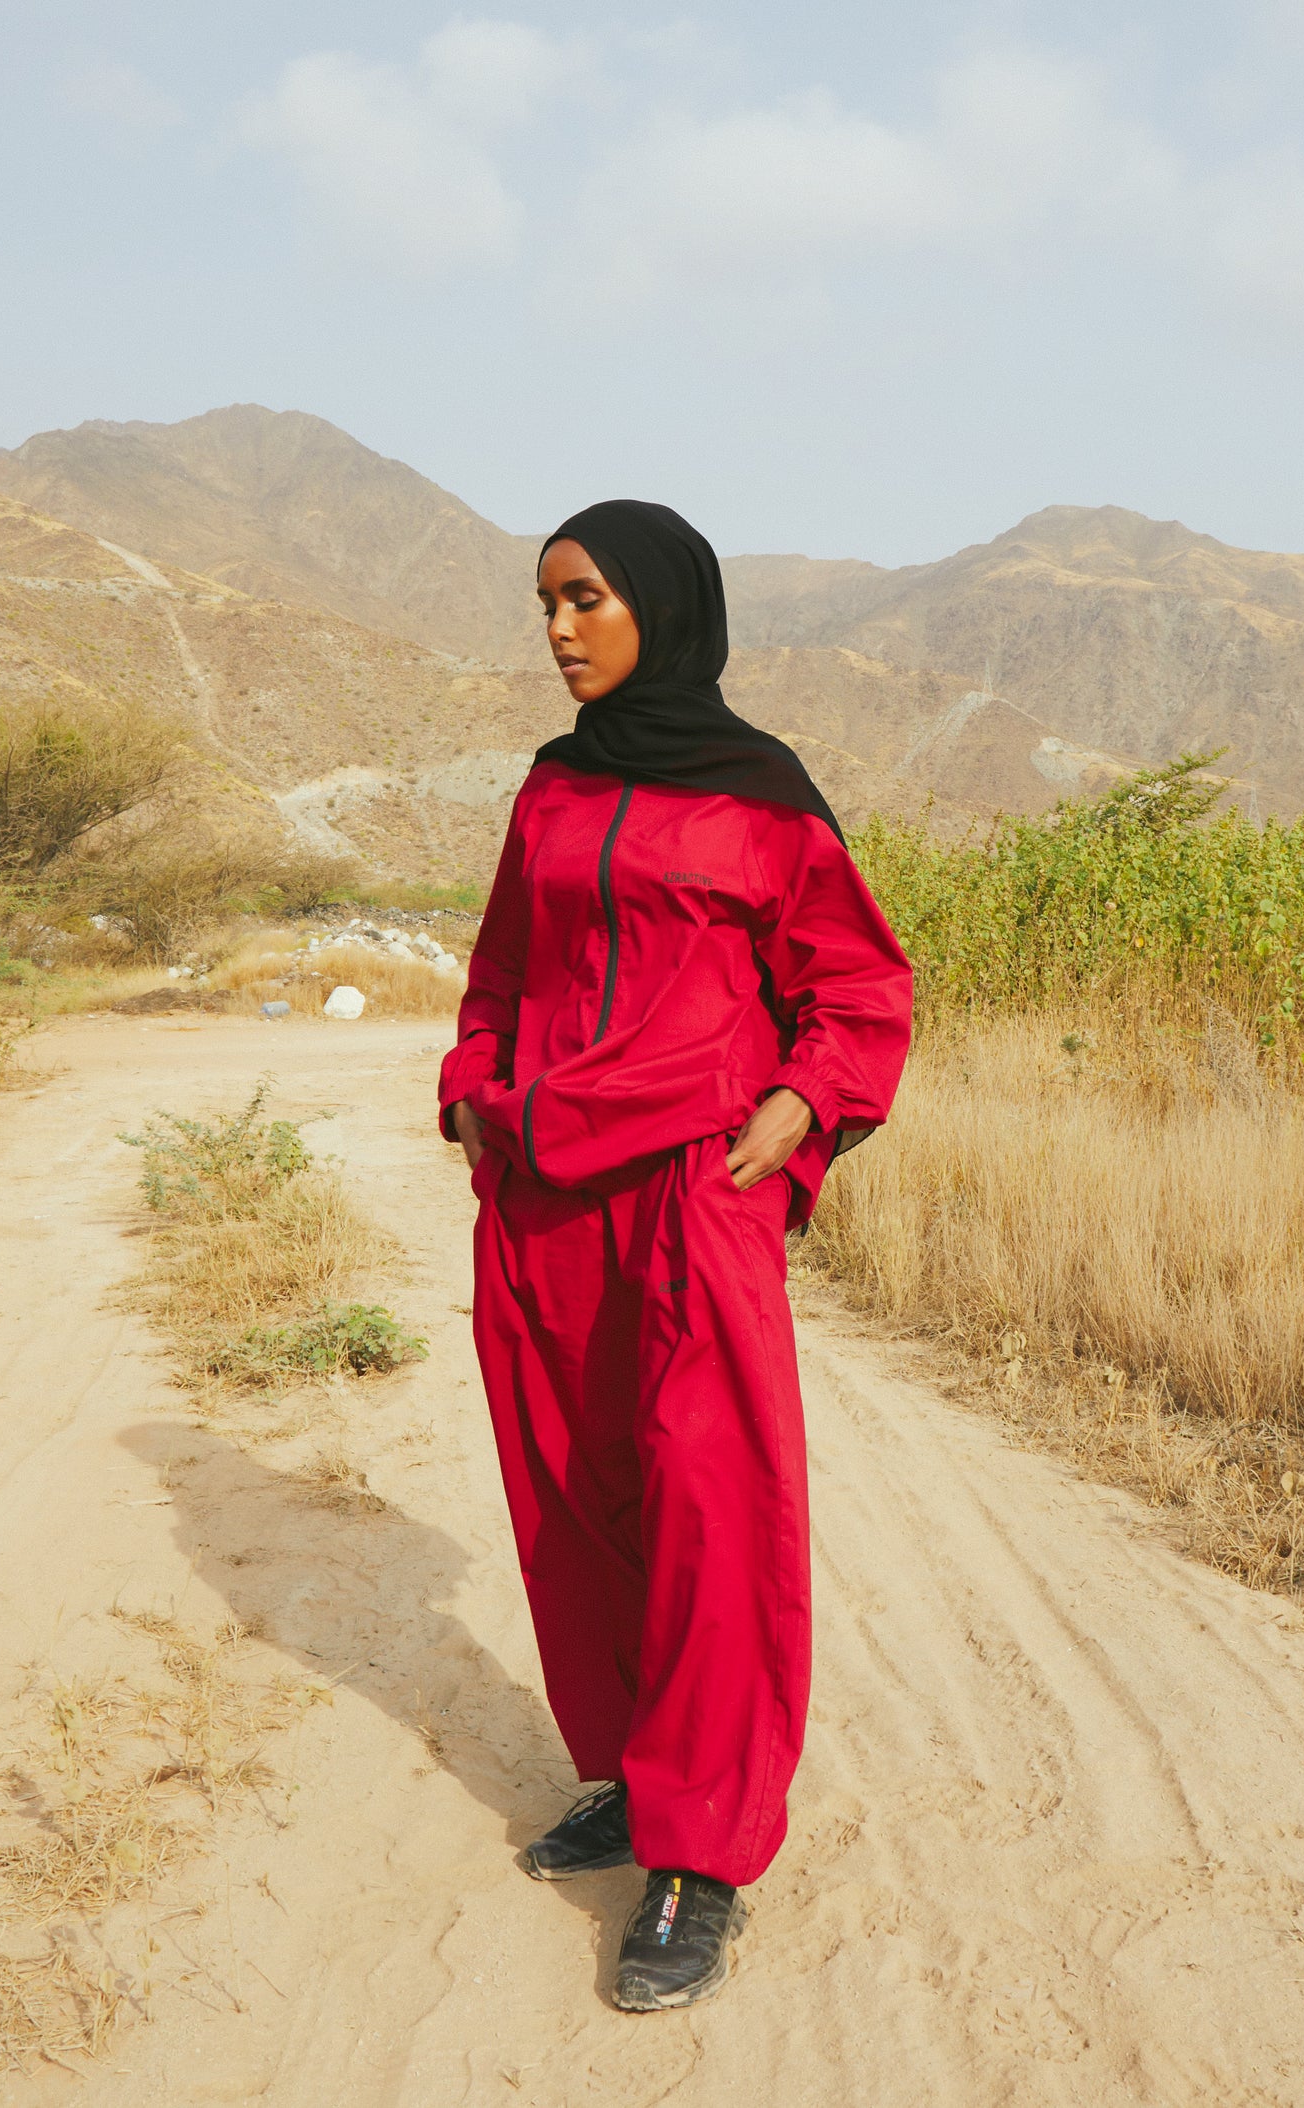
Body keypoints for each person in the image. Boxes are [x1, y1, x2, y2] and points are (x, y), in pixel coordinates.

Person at [438, 499, 912, 2011]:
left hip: (690, 1192)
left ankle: (700, 1861)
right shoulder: (554, 789)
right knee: (578, 1497)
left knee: (712, 1505)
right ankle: (639, 1780)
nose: (560, 629)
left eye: (584, 600)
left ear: (662, 606)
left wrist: (804, 1102)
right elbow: (505, 962)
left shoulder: (760, 795)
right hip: (541, 1192)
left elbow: (859, 987)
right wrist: (472, 1089)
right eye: (544, 605)